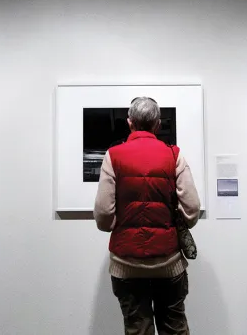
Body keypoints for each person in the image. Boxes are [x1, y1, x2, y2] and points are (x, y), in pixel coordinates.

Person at [93, 96, 201, 335]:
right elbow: (192, 210)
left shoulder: (113, 155)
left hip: (126, 264)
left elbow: (103, 216)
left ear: (130, 123)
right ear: (157, 125)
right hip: (168, 263)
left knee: (137, 329)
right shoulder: (174, 155)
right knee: (174, 327)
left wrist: (115, 223)